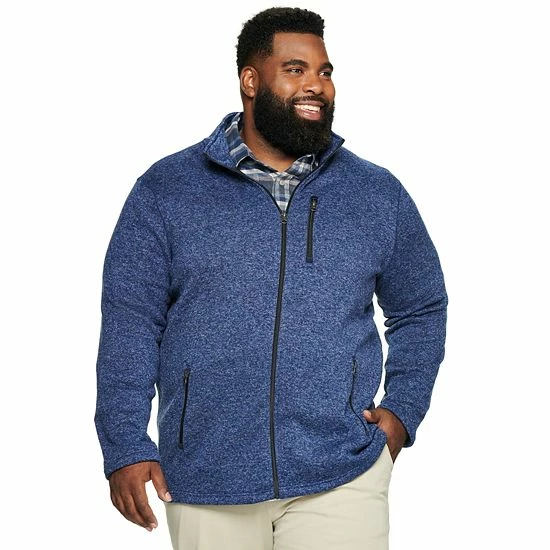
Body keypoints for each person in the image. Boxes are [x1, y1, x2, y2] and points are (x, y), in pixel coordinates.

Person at [95, 7, 447, 550]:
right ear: (250, 80)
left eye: (324, 72)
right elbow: (131, 322)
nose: (316, 85)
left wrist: (401, 413)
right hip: (206, 474)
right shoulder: (166, 191)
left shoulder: (375, 193)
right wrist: (124, 443)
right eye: (295, 69)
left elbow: (421, 307)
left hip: (341, 473)